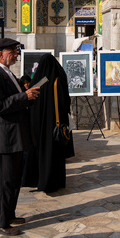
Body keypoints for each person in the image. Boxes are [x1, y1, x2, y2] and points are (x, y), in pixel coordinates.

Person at [0, 37, 40, 236]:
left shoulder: (8, 74)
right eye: (12, 52)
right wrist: (24, 97)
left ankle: (9, 214)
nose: (16, 55)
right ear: (0, 54)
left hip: (15, 136)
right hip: (4, 138)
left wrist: (28, 95)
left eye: (16, 51)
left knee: (14, 179)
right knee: (4, 181)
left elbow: (14, 100)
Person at [22, 54, 75, 193]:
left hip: (39, 126)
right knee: (55, 154)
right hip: (55, 127)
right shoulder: (59, 80)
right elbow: (65, 104)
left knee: (40, 152)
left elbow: (31, 101)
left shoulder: (40, 81)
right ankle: (54, 182)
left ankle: (39, 180)